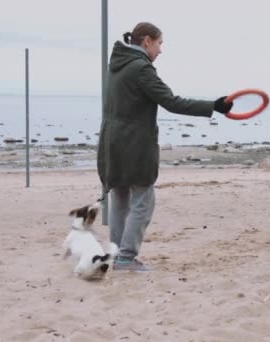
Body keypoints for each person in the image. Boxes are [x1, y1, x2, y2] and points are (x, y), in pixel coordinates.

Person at [97, 22, 233, 271]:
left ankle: (118, 255)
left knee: (120, 198)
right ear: (146, 41)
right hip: (134, 144)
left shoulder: (117, 65)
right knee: (143, 200)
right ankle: (126, 257)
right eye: (160, 44)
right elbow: (171, 102)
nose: (160, 50)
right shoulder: (140, 69)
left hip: (112, 142)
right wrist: (213, 106)